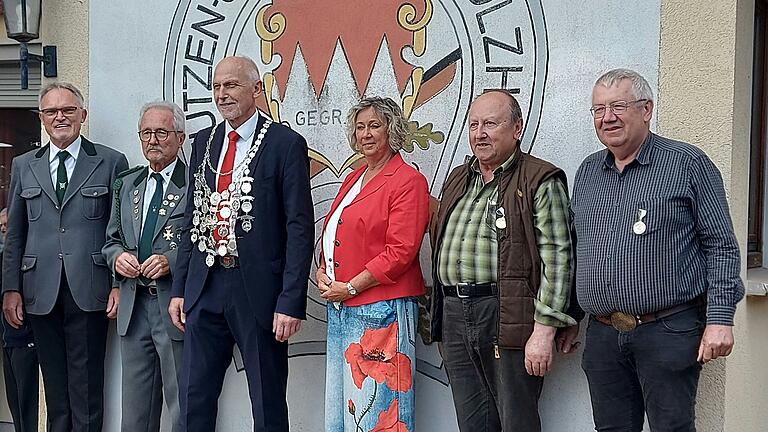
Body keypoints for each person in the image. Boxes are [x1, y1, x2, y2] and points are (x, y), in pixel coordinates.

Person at [570, 68, 744, 431]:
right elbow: (577, 251)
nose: (608, 118)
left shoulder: (687, 164)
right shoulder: (588, 171)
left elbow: (721, 246)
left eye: (618, 106)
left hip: (667, 330)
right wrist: (568, 318)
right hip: (603, 336)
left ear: (646, 109)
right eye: (598, 110)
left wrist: (720, 319)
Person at [169, 55, 314, 432]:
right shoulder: (204, 142)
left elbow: (299, 227)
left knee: (266, 401)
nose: (222, 94)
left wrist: (290, 300)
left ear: (256, 89)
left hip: (259, 292)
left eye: (231, 85)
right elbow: (192, 218)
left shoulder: (285, 143)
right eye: (217, 87)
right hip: (205, 286)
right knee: (193, 398)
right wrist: (181, 288)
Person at [429, 89, 580, 432]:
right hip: (455, 314)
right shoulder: (458, 177)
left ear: (517, 128)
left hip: (507, 314)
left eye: (490, 124)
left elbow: (558, 257)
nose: (479, 133)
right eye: (474, 125)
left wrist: (545, 330)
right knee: (472, 424)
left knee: (517, 423)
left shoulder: (539, 179)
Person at [2, 82, 129, 432]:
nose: (60, 117)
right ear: (41, 118)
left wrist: (119, 284)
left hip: (90, 289)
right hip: (38, 291)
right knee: (54, 389)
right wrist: (10, 288)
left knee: (87, 387)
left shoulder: (110, 161)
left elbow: (120, 230)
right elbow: (15, 234)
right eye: (52, 111)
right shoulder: (24, 165)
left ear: (82, 115)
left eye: (68, 110)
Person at [316, 97, 429, 431]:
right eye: (360, 126)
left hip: (383, 313)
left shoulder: (408, 180)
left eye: (374, 126)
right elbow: (336, 229)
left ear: (392, 130)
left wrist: (351, 286)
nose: (365, 134)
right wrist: (325, 271)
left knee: (379, 413)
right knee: (348, 410)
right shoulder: (354, 178)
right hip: (342, 307)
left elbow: (401, 251)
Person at [102, 101, 187, 432]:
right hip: (133, 306)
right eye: (146, 132)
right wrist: (116, 259)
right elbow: (110, 241)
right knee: (134, 412)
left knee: (183, 405)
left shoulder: (194, 182)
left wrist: (171, 261)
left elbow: (205, 241)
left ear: (180, 137)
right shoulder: (127, 184)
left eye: (162, 132)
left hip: (173, 306)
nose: (153, 140)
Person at [0, 207, 38, 432]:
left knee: (28, 403)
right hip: (9, 340)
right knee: (15, 402)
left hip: (27, 339)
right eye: (1, 227)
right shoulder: (4, 258)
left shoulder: (25, 257)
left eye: (7, 225)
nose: (4, 230)